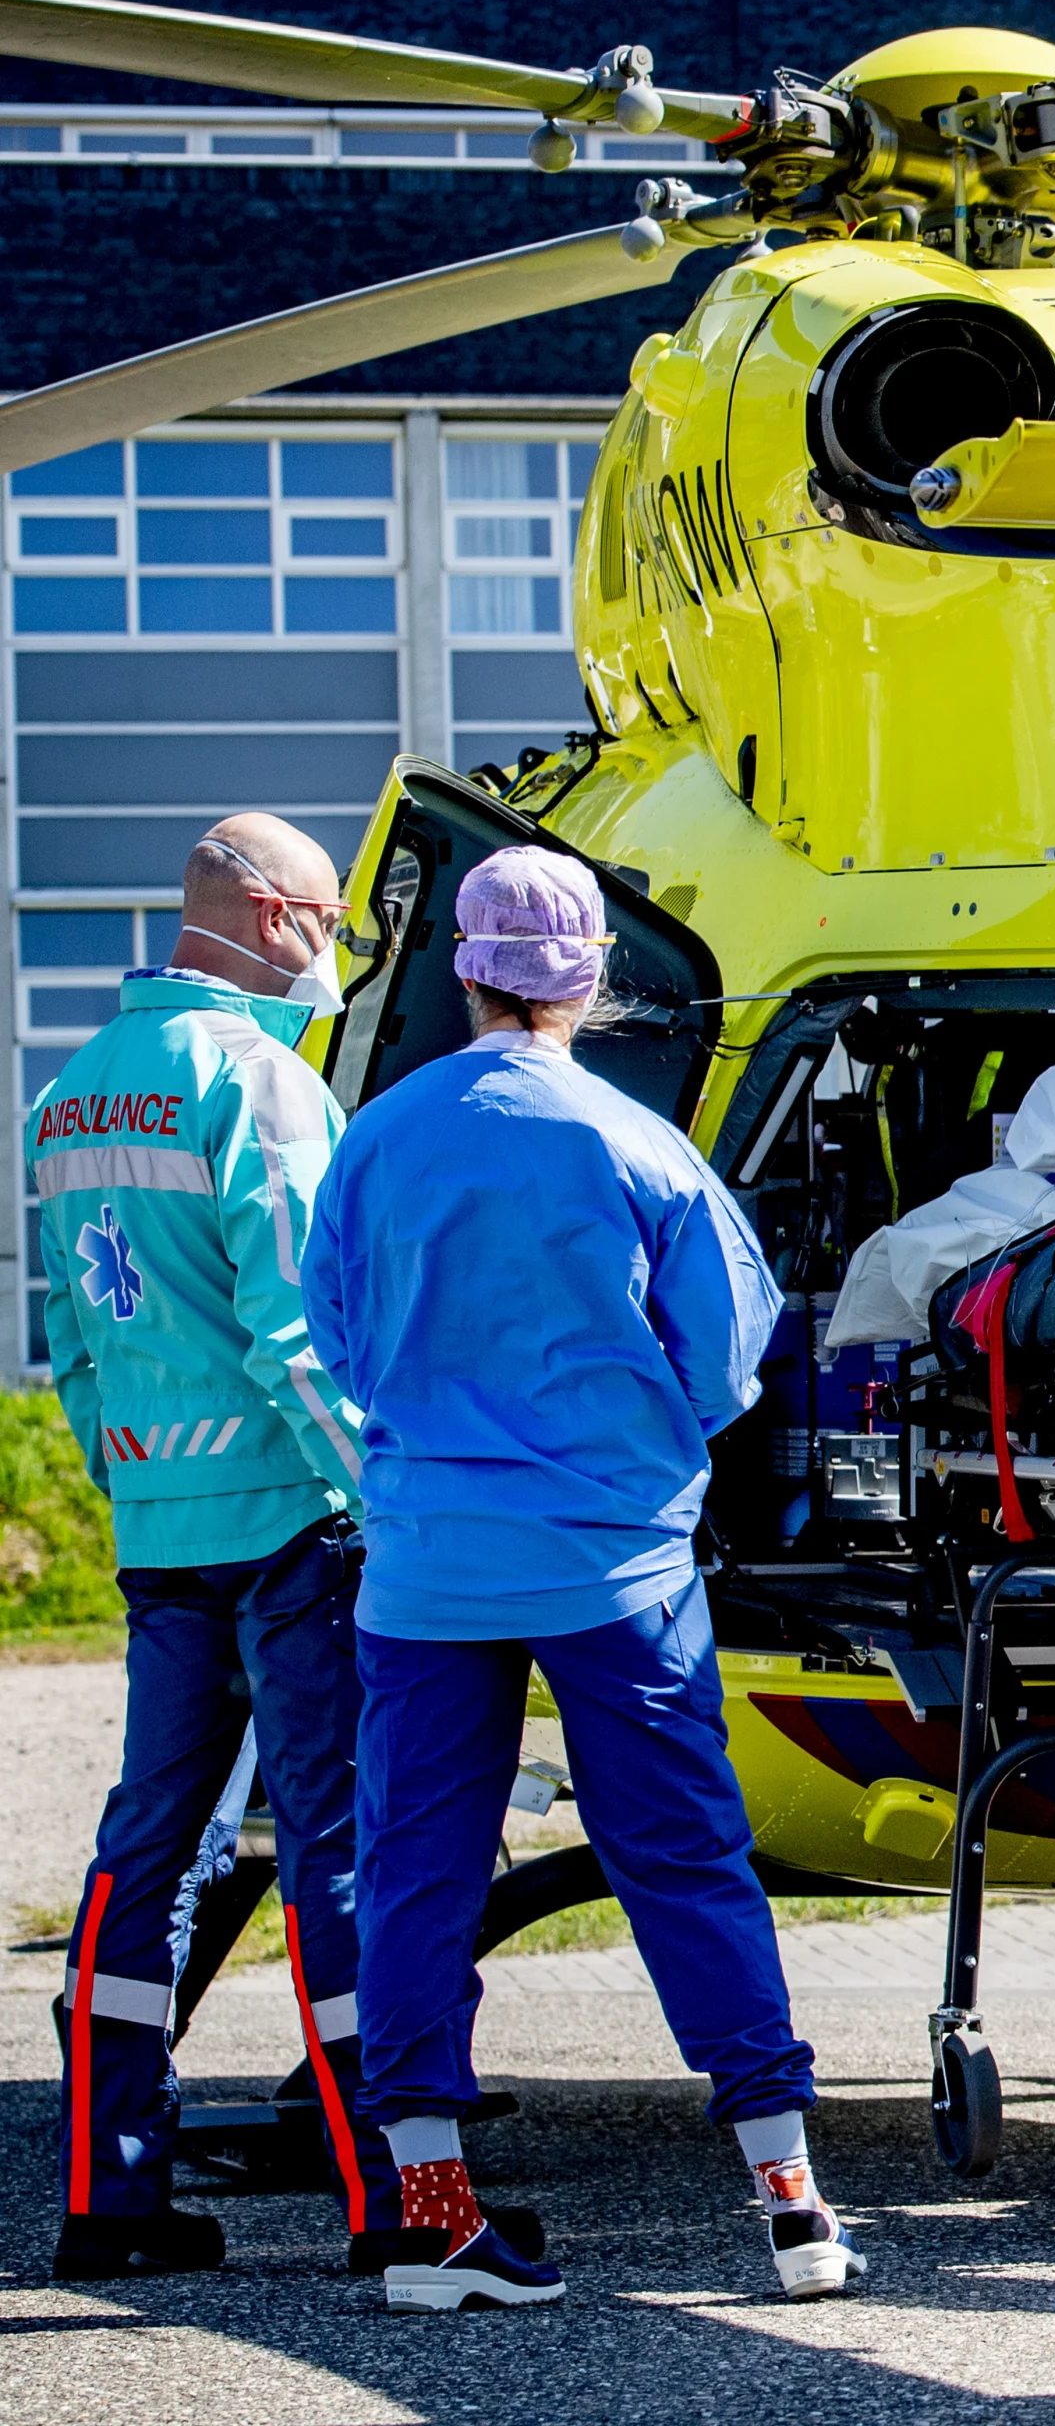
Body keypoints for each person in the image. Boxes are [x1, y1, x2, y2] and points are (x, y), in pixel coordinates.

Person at [301, 848, 853, 2312]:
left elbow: (339, 1344)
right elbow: (728, 1361)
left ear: (463, 971)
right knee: (681, 1863)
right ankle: (791, 2203)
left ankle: (433, 2217)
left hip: (425, 1572)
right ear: (594, 982)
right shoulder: (641, 1145)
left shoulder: (375, 1139)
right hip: (615, 1566)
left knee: (417, 1870)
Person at [31, 816, 381, 2280]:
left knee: (146, 1854)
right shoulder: (262, 1085)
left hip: (159, 1531)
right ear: (275, 916)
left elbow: (74, 1347)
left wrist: (142, 1485)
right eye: (328, 926)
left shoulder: (67, 1097)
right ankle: (395, 2201)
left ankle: (110, 2203)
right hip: (294, 1531)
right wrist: (381, 1500)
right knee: (336, 1856)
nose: (335, 959)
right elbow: (300, 1339)